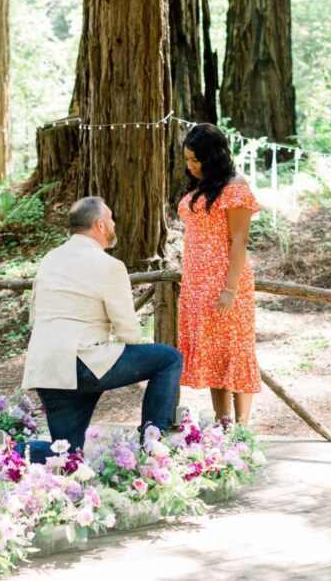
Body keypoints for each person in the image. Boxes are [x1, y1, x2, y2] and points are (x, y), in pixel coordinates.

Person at [19, 197, 183, 463]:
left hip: (46, 369)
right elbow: (129, 333)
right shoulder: (109, 265)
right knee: (168, 358)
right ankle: (153, 444)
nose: (113, 222)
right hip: (83, 364)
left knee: (66, 456)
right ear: (99, 225)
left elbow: (35, 314)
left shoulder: (49, 259)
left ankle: (7, 452)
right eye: (110, 218)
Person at [178, 123, 261, 425]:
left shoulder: (235, 186)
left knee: (235, 351)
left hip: (226, 280)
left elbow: (239, 239)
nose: (190, 166)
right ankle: (221, 423)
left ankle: (241, 429)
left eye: (195, 160)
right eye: (187, 159)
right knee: (213, 351)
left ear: (212, 155)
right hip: (197, 281)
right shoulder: (201, 185)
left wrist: (230, 288)